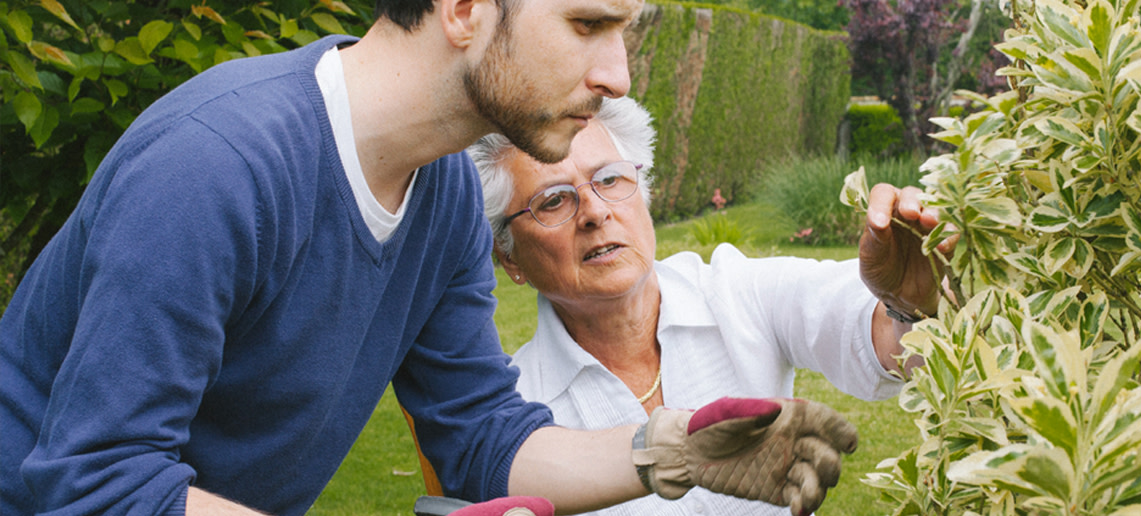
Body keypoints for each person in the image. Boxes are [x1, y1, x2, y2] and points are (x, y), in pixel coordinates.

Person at [0, 1, 865, 515]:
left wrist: (663, 456)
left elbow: (479, 433)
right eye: (589, 23)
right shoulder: (218, 166)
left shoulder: (446, 191)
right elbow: (96, 486)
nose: (620, 75)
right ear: (460, 9)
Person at [469, 96, 945, 515]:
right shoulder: (516, 416)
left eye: (610, 179)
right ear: (509, 257)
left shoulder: (734, 290)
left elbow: (877, 338)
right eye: (553, 201)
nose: (595, 212)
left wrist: (907, 307)